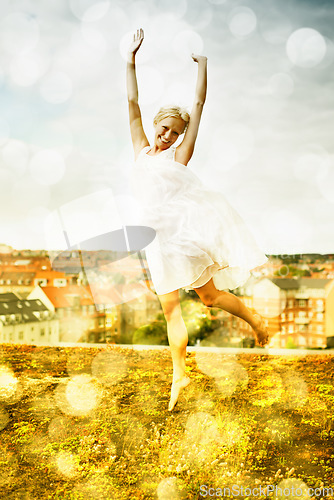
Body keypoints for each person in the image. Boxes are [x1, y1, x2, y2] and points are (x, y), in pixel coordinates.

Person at [127, 28, 269, 411]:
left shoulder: (178, 156)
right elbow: (132, 100)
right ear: (156, 124)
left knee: (209, 299)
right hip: (156, 243)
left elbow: (199, 103)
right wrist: (130, 60)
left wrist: (203, 64)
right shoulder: (141, 150)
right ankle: (179, 375)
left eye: (175, 133)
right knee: (171, 309)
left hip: (182, 240)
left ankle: (254, 319)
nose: (168, 136)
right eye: (165, 128)